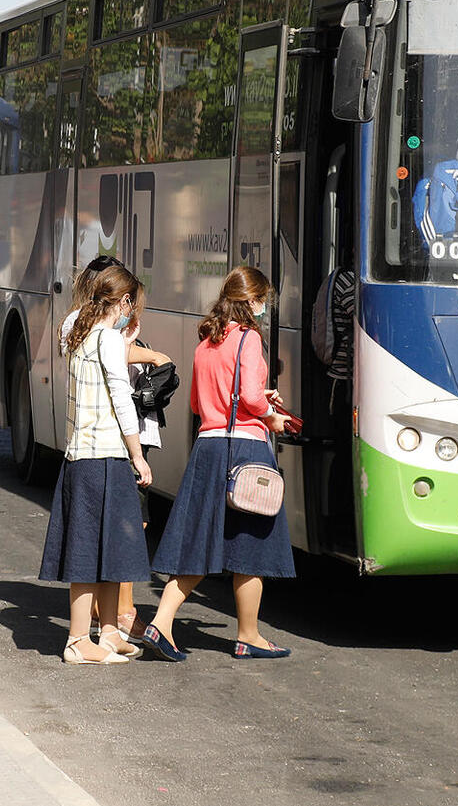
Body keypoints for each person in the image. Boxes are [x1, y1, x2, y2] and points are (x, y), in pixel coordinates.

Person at [144, 265, 295, 662]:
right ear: (253, 301)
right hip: (244, 450)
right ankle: (249, 635)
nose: (265, 308)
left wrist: (247, 399)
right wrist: (270, 414)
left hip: (208, 448)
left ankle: (160, 621)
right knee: (252, 546)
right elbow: (248, 396)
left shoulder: (206, 341)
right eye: (263, 301)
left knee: (198, 542)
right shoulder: (247, 339)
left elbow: (197, 404)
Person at [40, 265, 155, 664]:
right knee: (89, 551)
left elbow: (76, 315)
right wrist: (139, 454)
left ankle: (107, 632)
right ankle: (77, 640)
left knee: (110, 547)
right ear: (122, 302)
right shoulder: (105, 339)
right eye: (131, 304)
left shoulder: (75, 328)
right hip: (102, 455)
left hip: (82, 455)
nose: (132, 312)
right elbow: (123, 403)